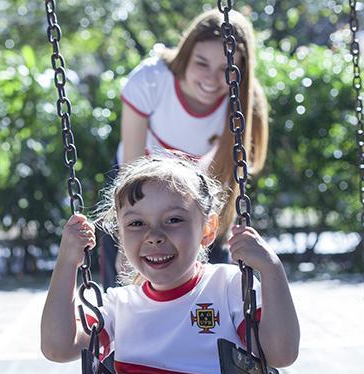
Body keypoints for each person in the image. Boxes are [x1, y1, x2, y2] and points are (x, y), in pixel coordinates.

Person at [41, 156, 299, 374]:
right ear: (120, 235)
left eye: (174, 220)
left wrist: (272, 270)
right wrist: (67, 263)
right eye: (136, 224)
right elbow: (57, 347)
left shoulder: (226, 285)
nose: (154, 235)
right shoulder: (119, 304)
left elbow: (281, 354)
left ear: (207, 228)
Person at [100, 8, 269, 288]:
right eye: (201, 63)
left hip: (193, 190)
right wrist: (124, 243)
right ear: (185, 54)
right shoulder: (151, 79)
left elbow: (225, 178)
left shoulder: (241, 102)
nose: (212, 79)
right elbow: (131, 166)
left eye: (225, 70)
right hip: (136, 186)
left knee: (209, 283)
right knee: (126, 280)